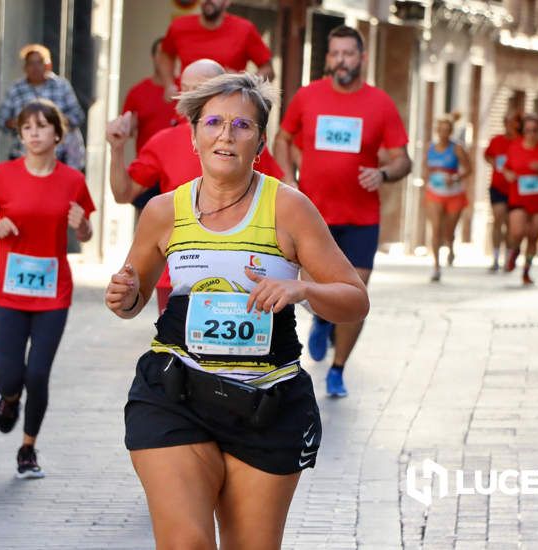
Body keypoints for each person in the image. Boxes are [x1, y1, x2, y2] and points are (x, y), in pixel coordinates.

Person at [105, 72, 369, 549]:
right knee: (186, 543)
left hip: (265, 404)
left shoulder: (289, 209)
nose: (226, 135)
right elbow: (133, 297)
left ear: (261, 142)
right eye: (214, 122)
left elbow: (355, 299)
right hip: (175, 393)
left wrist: (302, 289)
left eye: (242, 126)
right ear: (194, 135)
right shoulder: (163, 212)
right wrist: (124, 297)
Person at [273, 25, 411, 397]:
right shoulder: (307, 96)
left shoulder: (380, 104)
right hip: (313, 217)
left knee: (356, 296)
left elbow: (403, 160)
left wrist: (382, 173)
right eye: (334, 54)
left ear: (361, 58)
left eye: (348, 54)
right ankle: (320, 318)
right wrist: (288, 177)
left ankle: (338, 368)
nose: (340, 61)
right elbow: (282, 139)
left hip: (361, 218)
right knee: (317, 287)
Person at [0, 99, 95, 479]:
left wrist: (81, 226)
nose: (35, 133)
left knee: (38, 374)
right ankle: (10, 400)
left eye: (42, 126)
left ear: (57, 134)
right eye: (27, 128)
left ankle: (28, 448)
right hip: (10, 293)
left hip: (53, 294)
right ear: (20, 135)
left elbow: (86, 230)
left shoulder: (72, 180)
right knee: (11, 377)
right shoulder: (3, 174)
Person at [107, 59, 284, 313]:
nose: (191, 97)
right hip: (178, 271)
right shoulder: (163, 141)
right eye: (186, 89)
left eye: (201, 89)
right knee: (180, 341)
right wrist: (116, 150)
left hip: (240, 268)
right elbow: (123, 194)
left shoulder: (244, 139)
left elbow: (281, 193)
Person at [157, 0, 274, 100]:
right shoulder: (179, 26)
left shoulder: (244, 29)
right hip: (189, 108)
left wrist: (243, 81)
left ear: (227, 1)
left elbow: (268, 69)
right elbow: (166, 55)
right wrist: (169, 84)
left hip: (228, 107)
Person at [0, 44, 87, 171]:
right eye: (31, 63)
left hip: (59, 156)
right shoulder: (15, 89)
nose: (35, 67)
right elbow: (2, 120)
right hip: (23, 156)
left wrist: (57, 121)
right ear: (25, 67)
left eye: (39, 62)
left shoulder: (61, 87)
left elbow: (78, 116)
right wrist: (18, 123)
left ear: (48, 65)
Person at [122, 37, 182, 211]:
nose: (166, 60)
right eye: (162, 54)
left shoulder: (186, 90)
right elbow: (127, 130)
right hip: (148, 171)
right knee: (144, 228)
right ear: (153, 57)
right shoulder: (137, 92)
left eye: (170, 55)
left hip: (176, 171)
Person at [502, 113, 538, 285]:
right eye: (527, 130)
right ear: (523, 132)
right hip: (518, 198)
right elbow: (505, 168)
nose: (531, 134)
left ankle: (526, 271)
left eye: (534, 130)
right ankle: (515, 250)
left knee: (534, 236)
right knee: (517, 232)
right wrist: (509, 174)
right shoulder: (514, 147)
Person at [423, 115, 471, 282]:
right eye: (441, 130)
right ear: (437, 131)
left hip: (454, 193)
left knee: (448, 231)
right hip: (435, 192)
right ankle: (436, 266)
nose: (443, 133)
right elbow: (425, 167)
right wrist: (427, 178)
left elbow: (468, 169)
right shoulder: (430, 148)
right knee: (435, 228)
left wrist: (456, 177)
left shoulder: (457, 148)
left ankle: (450, 245)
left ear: (451, 131)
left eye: (447, 130)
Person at [484, 110, 522, 271]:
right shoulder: (496, 140)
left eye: (513, 122)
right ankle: (495, 258)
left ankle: (508, 257)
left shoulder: (521, 142)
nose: (509, 125)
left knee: (510, 224)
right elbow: (487, 155)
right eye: (506, 121)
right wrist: (494, 163)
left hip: (515, 188)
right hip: (497, 186)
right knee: (497, 219)